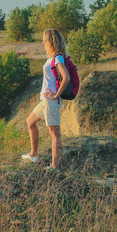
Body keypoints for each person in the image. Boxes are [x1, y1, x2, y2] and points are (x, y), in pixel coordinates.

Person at [22, 29, 70, 171]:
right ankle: (34, 155)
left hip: (51, 102)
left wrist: (56, 95)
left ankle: (55, 167)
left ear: (51, 41)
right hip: (44, 101)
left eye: (44, 40)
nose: (42, 43)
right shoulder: (52, 58)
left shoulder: (58, 58)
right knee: (30, 121)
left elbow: (66, 77)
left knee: (55, 135)